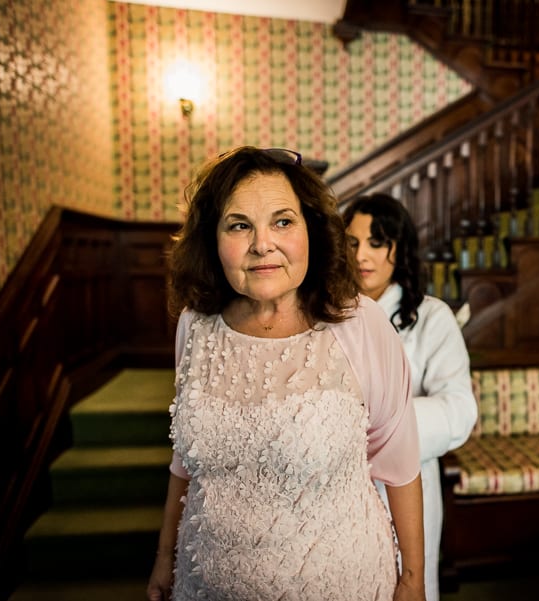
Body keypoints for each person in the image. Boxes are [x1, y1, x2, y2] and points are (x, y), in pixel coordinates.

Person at [146, 147, 426, 601]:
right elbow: (185, 462)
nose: (262, 244)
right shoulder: (195, 325)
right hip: (208, 582)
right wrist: (164, 558)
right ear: (212, 240)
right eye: (239, 225)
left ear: (310, 229)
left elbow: (400, 462)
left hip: (341, 582)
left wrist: (413, 580)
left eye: (282, 221)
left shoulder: (360, 325)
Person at [342, 193, 477, 601]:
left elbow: (459, 411)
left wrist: (373, 425)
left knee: (408, 585)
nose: (361, 254)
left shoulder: (432, 318)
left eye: (376, 242)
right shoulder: (330, 315)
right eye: (352, 242)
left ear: (399, 249)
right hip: (339, 490)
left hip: (409, 488)